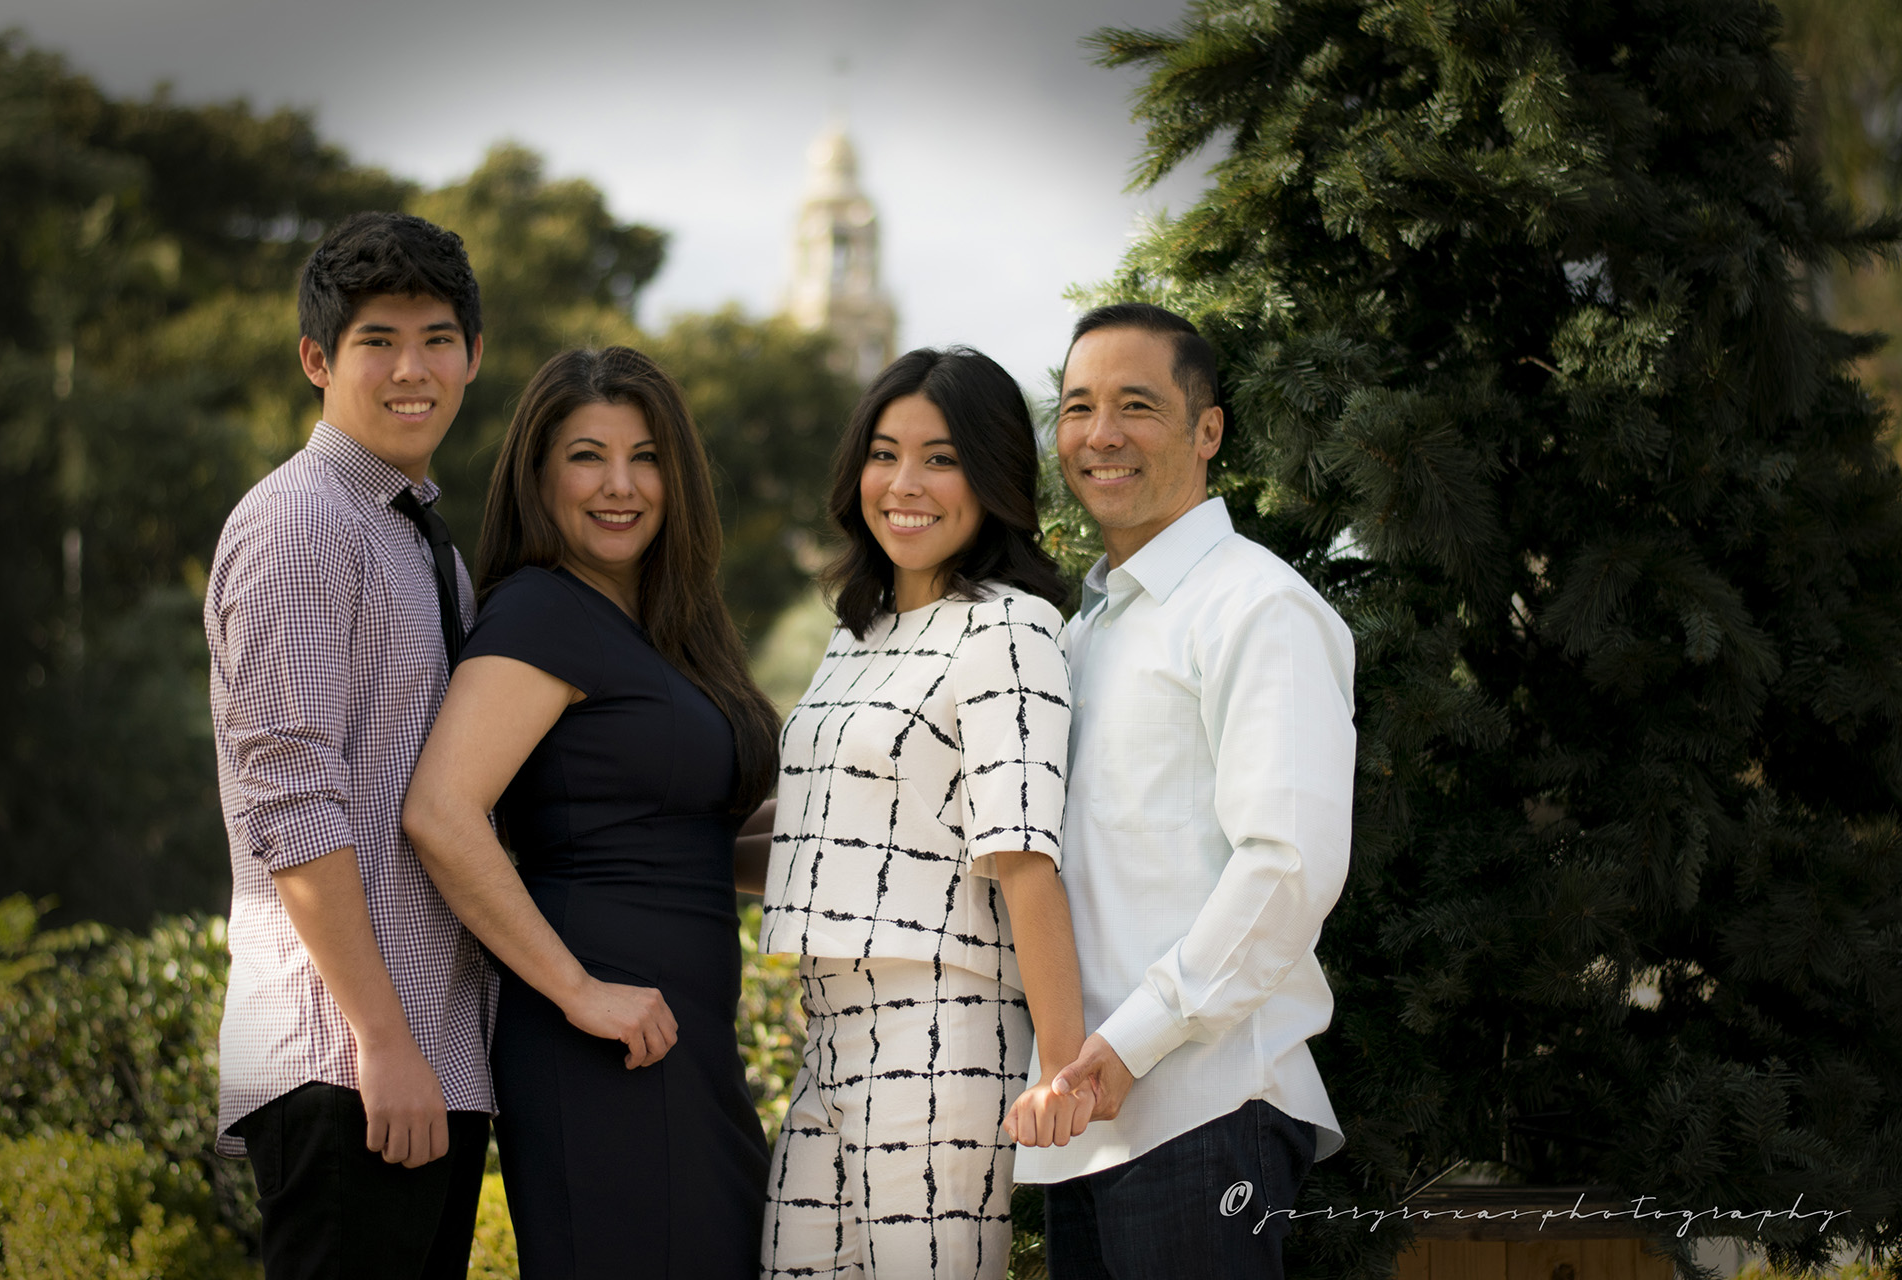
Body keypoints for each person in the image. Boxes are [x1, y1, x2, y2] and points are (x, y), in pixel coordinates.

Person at [400, 345, 779, 1278]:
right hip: (602, 1044)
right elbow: (441, 812)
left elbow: (695, 841)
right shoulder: (542, 611)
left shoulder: (667, 630)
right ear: (538, 476)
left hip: (685, 1041)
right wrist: (579, 991)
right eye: (587, 456)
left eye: (645, 457)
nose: (621, 485)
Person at [1012, 303, 1357, 1280]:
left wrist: (1130, 1043)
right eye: (1078, 407)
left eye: (1137, 405)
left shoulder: (1258, 606)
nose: (1100, 433)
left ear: (1208, 431)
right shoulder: (1080, 632)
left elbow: (1286, 867)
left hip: (1205, 1110)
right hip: (1085, 1119)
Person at [757, 346, 1093, 1279]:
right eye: (884, 453)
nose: (904, 484)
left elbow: (1024, 854)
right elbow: (815, 826)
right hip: (827, 1029)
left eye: (941, 459)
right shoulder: (855, 634)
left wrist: (1061, 1070)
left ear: (992, 477)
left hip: (942, 1027)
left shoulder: (1009, 627)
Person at [204, 211, 492, 1278]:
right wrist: (381, 1037)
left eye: (436, 338)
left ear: (473, 355)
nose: (412, 369)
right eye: (378, 340)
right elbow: (288, 801)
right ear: (318, 360)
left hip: (430, 1057)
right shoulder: (301, 523)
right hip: (350, 1060)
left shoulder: (417, 539)